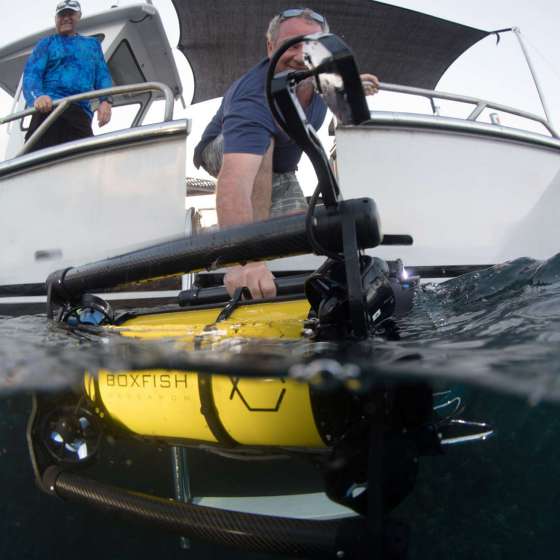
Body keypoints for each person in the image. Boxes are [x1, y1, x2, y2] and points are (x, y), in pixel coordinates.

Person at [194, 8, 379, 299]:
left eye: (312, 45)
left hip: (283, 168)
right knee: (260, 152)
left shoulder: (319, 75)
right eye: (292, 45)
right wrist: (247, 259)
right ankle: (233, 246)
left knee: (296, 232)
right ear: (270, 47)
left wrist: (352, 82)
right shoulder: (253, 97)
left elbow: (335, 94)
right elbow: (235, 181)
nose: (302, 54)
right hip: (222, 149)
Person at [22, 0, 113, 152]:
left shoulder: (92, 45)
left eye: (70, 14)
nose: (66, 18)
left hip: (80, 112)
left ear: (79, 16)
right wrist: (37, 96)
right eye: (62, 14)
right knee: (36, 157)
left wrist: (106, 101)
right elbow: (31, 75)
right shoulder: (46, 44)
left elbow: (102, 75)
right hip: (48, 111)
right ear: (56, 18)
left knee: (84, 157)